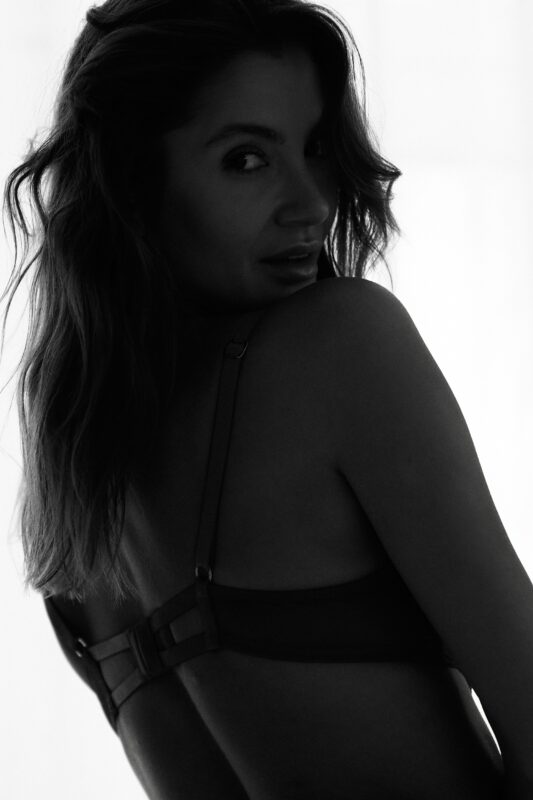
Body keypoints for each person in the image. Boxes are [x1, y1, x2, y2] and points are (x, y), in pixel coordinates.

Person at [2, 0, 533, 798]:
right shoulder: (341, 346)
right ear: (130, 181)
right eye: (245, 159)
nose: (311, 204)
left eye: (314, 149)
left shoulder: (75, 485)